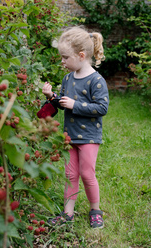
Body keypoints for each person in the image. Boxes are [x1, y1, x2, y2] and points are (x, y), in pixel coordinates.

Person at [42, 26, 109, 229]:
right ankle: (67, 213)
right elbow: (63, 102)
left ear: (81, 55)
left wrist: (75, 105)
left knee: (87, 174)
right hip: (70, 136)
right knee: (71, 175)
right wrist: (51, 97)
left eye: (65, 57)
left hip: (89, 137)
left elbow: (102, 107)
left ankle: (95, 210)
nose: (62, 62)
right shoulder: (68, 78)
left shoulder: (96, 81)